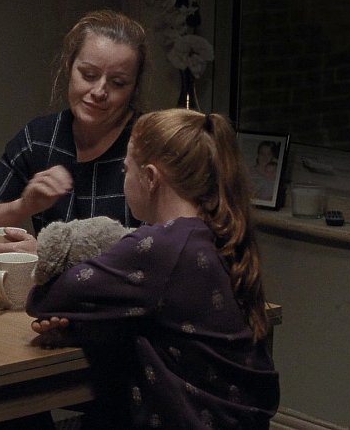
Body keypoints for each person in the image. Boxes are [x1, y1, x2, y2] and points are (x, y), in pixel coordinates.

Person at [26, 109, 280, 429]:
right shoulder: (216, 232)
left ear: (149, 177)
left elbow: (45, 300)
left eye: (125, 169)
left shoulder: (162, 247)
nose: (124, 178)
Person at [0, 9, 146, 257]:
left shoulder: (152, 145)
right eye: (88, 75)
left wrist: (50, 253)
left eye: (118, 83)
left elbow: (163, 249)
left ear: (134, 88)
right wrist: (24, 206)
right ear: (69, 67)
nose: (99, 91)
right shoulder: (41, 138)